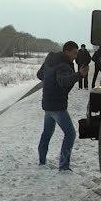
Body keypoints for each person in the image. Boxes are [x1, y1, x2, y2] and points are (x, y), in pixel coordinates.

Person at [37, 41, 89, 171]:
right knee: (70, 134)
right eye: (74, 53)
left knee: (47, 133)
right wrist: (79, 75)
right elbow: (64, 81)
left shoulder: (50, 59)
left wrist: (50, 80)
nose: (76, 56)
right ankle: (64, 166)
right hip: (57, 105)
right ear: (67, 51)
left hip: (48, 103)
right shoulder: (63, 65)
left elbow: (39, 75)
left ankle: (42, 161)